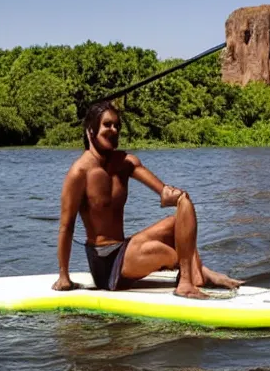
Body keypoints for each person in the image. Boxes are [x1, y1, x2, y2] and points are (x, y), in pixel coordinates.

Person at [52, 100, 243, 299]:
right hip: (105, 263)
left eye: (117, 126)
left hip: (124, 249)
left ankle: (192, 276)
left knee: (181, 211)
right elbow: (66, 227)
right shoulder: (79, 172)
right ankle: (193, 275)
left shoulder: (125, 163)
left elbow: (164, 192)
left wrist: (172, 195)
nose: (114, 130)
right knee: (163, 251)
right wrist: (63, 276)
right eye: (107, 125)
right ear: (90, 130)